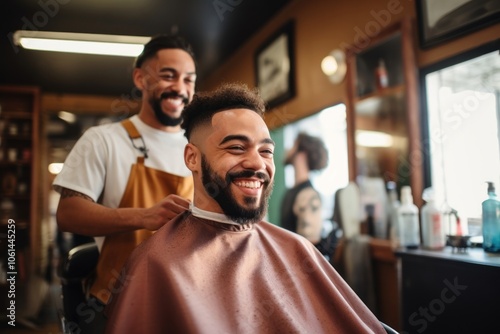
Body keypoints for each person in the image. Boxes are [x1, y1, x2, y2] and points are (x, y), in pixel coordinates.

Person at [104, 83, 385, 334]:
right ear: (192, 157)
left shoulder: (298, 249)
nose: (257, 164)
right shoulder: (156, 264)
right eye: (237, 148)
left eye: (266, 151)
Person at [53, 34, 196, 311]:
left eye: (189, 79)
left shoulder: (198, 149)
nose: (180, 88)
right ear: (140, 79)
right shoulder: (103, 139)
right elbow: (68, 213)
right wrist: (144, 216)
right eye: (169, 75)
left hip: (184, 301)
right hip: (117, 303)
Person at [280, 132, 340, 262]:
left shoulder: (308, 196)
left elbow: (309, 252)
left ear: (302, 153)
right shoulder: (292, 192)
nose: (289, 149)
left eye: (294, 145)